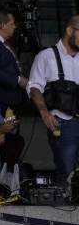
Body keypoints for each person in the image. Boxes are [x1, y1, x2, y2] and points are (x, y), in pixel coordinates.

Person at [27, 14, 79, 182]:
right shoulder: (46, 56)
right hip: (63, 123)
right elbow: (34, 87)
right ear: (70, 30)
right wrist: (44, 113)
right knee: (67, 172)